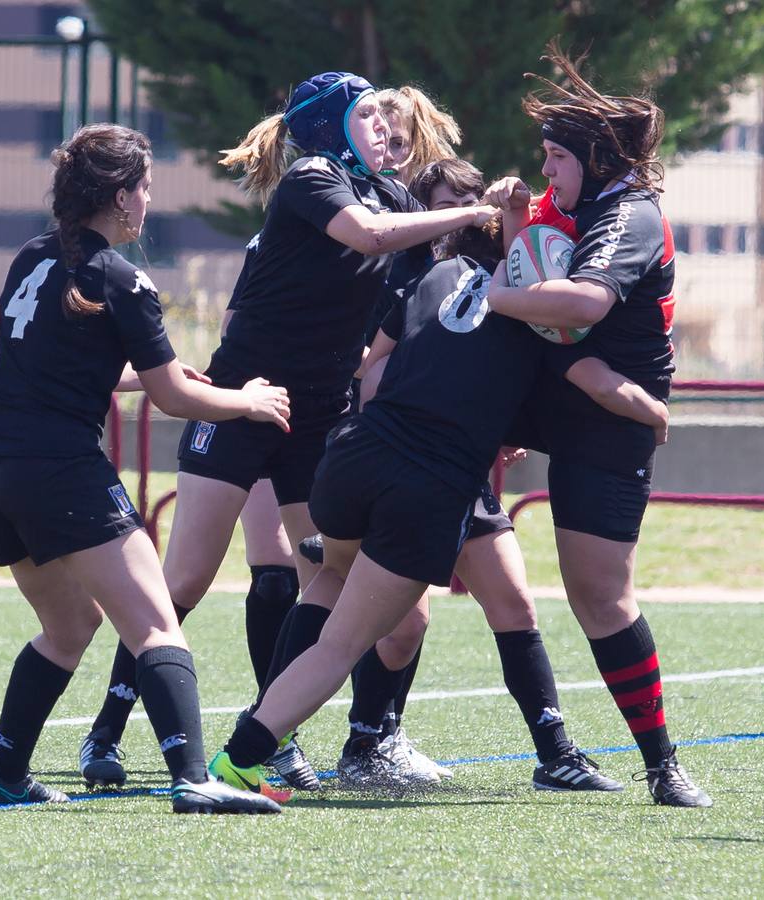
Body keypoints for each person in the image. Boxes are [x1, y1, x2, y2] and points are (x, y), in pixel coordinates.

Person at [78, 71, 498, 797]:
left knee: (328, 578)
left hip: (320, 417)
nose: (384, 128)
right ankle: (105, 733)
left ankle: (272, 735)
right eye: (366, 115)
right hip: (245, 403)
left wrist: (515, 224)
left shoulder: (394, 197)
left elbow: (432, 283)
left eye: (383, 116)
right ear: (332, 125)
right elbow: (367, 236)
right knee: (185, 580)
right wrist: (459, 216)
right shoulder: (311, 177)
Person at [207, 170, 673, 801]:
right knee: (346, 642)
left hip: (353, 457)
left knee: (332, 583)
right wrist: (654, 411)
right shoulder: (534, 324)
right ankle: (243, 762)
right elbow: (591, 380)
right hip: (426, 484)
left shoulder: (434, 278)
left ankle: (284, 748)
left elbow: (373, 369)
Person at [0, 123, 291, 815]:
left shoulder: (33, 257)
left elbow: (64, 364)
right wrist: (246, 400)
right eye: (144, 188)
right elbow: (177, 396)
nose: (147, 201)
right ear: (118, 196)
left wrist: (150, 378)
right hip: (60, 470)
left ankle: (4, 777)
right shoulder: (121, 274)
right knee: (155, 624)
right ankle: (195, 778)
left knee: (69, 627)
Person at [486, 43, 711, 808]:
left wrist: (499, 300)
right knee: (430, 434)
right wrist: (518, 216)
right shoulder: (570, 205)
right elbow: (527, 269)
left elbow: (578, 305)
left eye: (555, 158)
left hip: (606, 419)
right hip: (560, 389)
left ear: (592, 157)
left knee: (598, 593)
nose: (547, 172)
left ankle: (662, 763)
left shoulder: (631, 213)